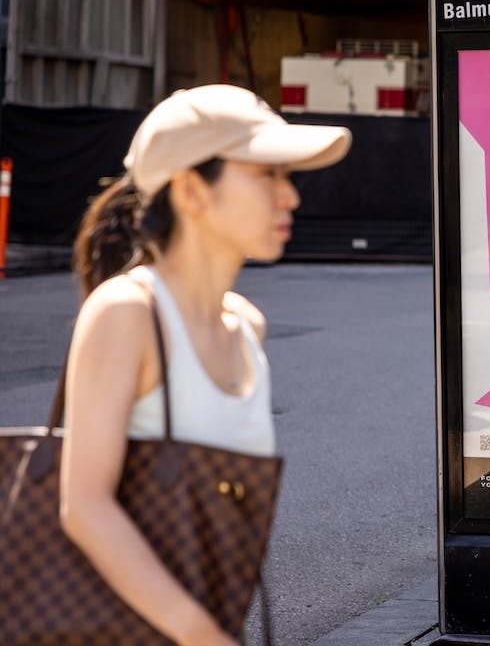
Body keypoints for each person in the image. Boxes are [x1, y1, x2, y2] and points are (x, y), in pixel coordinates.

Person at [60, 85, 350, 645]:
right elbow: (84, 505)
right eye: (266, 175)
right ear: (192, 190)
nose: (289, 196)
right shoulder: (127, 312)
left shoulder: (246, 325)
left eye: (288, 176)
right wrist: (202, 634)